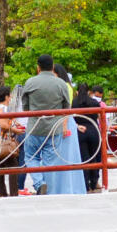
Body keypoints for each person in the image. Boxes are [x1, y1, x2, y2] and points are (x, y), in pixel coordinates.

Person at [19, 55, 69, 195]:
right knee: (50, 161)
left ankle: (39, 183)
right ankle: (48, 189)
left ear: (38, 67)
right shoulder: (61, 84)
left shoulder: (30, 83)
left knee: (30, 157)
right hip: (54, 128)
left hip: (34, 127)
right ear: (52, 67)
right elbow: (67, 107)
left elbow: (25, 107)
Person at [46, 64, 86, 195]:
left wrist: (64, 125)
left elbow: (66, 108)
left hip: (63, 123)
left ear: (57, 73)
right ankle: (67, 188)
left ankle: (65, 188)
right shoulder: (64, 86)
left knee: (64, 157)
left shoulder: (64, 86)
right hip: (65, 122)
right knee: (65, 156)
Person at [0, 85, 23, 197]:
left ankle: (3, 193)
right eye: (10, 95)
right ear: (6, 97)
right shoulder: (4, 109)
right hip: (6, 141)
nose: (11, 97)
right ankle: (13, 193)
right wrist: (16, 130)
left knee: (0, 167)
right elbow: (3, 124)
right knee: (13, 166)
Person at [73, 83, 103, 192]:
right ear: (89, 92)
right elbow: (100, 117)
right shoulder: (94, 102)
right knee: (94, 157)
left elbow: (71, 117)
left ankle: (85, 184)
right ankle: (94, 182)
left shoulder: (74, 103)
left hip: (80, 131)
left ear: (77, 92)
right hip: (93, 130)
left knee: (84, 158)